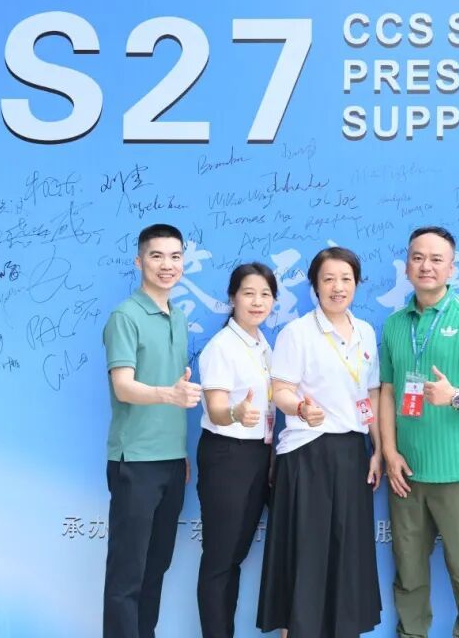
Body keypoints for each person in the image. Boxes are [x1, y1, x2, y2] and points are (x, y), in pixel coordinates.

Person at [379, 226, 459, 638]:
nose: (426, 266)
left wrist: (455, 396)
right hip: (407, 473)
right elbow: (388, 392)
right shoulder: (394, 325)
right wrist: (390, 452)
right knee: (409, 572)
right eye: (418, 257)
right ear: (406, 266)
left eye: (436, 259)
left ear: (452, 268)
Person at [257, 246, 383, 638]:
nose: (337, 287)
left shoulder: (365, 332)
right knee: (306, 554)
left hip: (352, 452)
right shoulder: (297, 333)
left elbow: (371, 395)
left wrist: (378, 449)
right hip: (307, 453)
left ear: (356, 284)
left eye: (346, 279)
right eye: (328, 279)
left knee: (348, 554)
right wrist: (299, 408)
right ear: (315, 285)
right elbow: (280, 390)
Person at [101, 223, 202, 638]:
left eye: (175, 256)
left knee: (155, 568)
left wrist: (181, 453)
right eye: (157, 256)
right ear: (139, 260)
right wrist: (168, 395)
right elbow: (123, 387)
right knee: (127, 574)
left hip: (170, 463)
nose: (167, 265)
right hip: (135, 463)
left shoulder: (177, 317)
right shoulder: (125, 316)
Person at [196, 262, 279, 637]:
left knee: (237, 555)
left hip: (259, 455)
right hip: (227, 456)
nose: (257, 301)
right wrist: (235, 413)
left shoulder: (263, 345)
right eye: (249, 293)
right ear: (233, 298)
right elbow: (215, 408)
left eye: (265, 294)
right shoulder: (222, 347)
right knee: (221, 559)